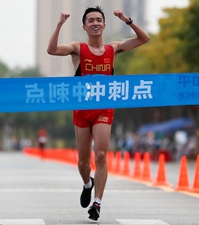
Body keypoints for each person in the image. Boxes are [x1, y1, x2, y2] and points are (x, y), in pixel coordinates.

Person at [47, 6, 150, 221]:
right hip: (82, 110)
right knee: (84, 162)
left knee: (101, 155)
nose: (95, 23)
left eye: (98, 20)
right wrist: (59, 24)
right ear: (85, 26)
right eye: (91, 20)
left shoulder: (113, 49)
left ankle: (97, 203)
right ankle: (87, 183)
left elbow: (144, 39)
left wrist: (126, 20)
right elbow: (52, 50)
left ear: (103, 25)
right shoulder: (77, 48)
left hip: (104, 109)